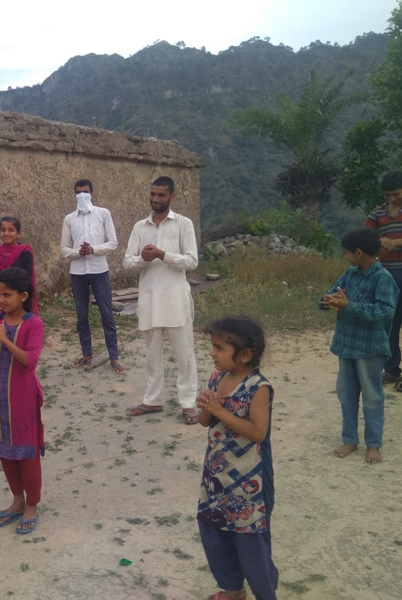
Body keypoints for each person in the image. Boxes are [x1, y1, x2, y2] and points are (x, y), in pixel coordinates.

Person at [196, 316, 278, 600]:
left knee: (250, 540)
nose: (212, 353)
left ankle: (265, 594)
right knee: (214, 532)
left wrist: (221, 412)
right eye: (212, 346)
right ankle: (232, 589)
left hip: (249, 482)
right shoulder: (217, 377)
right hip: (216, 476)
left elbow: (257, 432)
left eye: (219, 348)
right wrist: (207, 406)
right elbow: (205, 422)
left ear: (244, 355)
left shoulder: (259, 387)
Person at [124, 176, 199, 424]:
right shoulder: (139, 227)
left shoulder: (183, 224)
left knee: (184, 354)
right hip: (149, 300)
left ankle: (188, 404)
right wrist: (144, 259)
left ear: (172, 197)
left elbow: (191, 261)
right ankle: (152, 401)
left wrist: (163, 254)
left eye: (161, 195)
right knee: (152, 355)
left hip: (176, 300)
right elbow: (127, 263)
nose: (156, 199)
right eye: (153, 194)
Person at [319, 228, 399, 464]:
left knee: (372, 396)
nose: (345, 257)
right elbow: (334, 294)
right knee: (347, 394)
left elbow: (385, 311)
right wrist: (326, 300)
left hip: (370, 348)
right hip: (346, 345)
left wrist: (349, 306)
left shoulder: (383, 278)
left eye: (346, 253)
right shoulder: (350, 274)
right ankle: (350, 439)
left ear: (359, 252)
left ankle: (373, 444)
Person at [0, 267, 45, 535]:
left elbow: (30, 361)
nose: (1, 300)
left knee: (27, 453)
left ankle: (32, 504)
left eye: (8, 295)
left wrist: (5, 340)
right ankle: (16, 501)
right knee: (5, 450)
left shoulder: (33, 324)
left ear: (23, 296)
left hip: (24, 398)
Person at [60, 178, 125, 373]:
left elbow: (113, 242)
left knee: (107, 314)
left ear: (92, 193)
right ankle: (86, 354)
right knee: (82, 315)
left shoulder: (103, 214)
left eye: (85, 192)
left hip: (99, 270)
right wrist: (77, 253)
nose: (82, 195)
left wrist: (93, 249)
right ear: (74, 195)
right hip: (78, 272)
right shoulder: (69, 219)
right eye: (78, 192)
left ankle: (114, 357)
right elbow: (64, 249)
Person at [364, 170, 402, 393]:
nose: (392, 199)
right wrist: (378, 241)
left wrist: (397, 242)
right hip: (386, 274)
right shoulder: (379, 212)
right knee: (388, 322)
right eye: (388, 195)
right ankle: (391, 369)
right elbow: (364, 235)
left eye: (396, 194)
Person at [0, 216, 38, 314]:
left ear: (18, 234)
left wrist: (13, 301)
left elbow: (27, 282)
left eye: (11, 230)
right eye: (3, 230)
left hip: (19, 306)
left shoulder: (25, 253)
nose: (6, 233)